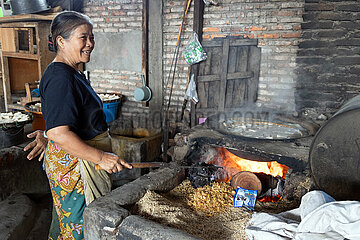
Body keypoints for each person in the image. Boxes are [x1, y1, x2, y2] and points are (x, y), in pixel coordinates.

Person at [24, 11, 132, 240]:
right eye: (83, 37)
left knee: (71, 221)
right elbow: (60, 132)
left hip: (79, 158)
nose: (90, 44)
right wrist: (101, 158)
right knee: (81, 226)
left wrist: (49, 134)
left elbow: (62, 122)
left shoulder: (71, 71)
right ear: (61, 41)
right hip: (76, 165)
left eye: (91, 37)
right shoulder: (60, 77)